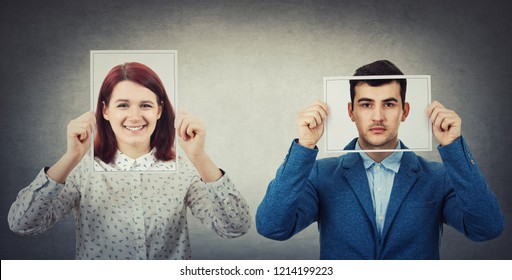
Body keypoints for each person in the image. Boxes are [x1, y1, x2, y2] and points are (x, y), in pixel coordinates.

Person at [256, 60, 504, 259]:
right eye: (365, 104)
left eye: (389, 104)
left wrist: (453, 148)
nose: (377, 116)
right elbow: (272, 227)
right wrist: (304, 147)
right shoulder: (322, 174)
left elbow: (487, 228)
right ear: (351, 112)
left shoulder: (438, 177)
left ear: (404, 111)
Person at [8, 62, 251, 260]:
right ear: (105, 110)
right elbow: (22, 224)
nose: (134, 116)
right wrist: (70, 157)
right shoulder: (81, 172)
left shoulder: (183, 171)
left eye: (145, 105)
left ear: (159, 110)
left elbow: (235, 227)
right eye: (123, 105)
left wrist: (199, 157)